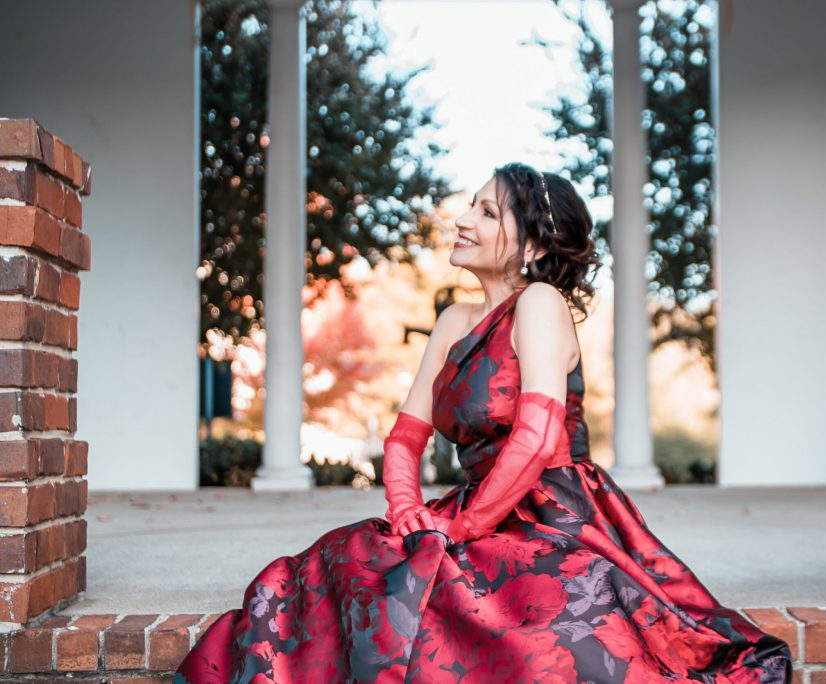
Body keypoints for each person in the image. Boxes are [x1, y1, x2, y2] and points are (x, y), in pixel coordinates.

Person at [174, 162, 793, 683]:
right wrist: (409, 509)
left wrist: (465, 526)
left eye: (488, 213)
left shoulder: (540, 303)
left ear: (533, 247)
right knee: (348, 560)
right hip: (478, 503)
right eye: (470, 206)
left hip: (555, 508)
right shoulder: (451, 319)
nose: (463, 219)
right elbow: (405, 436)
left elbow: (536, 436)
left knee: (510, 609)